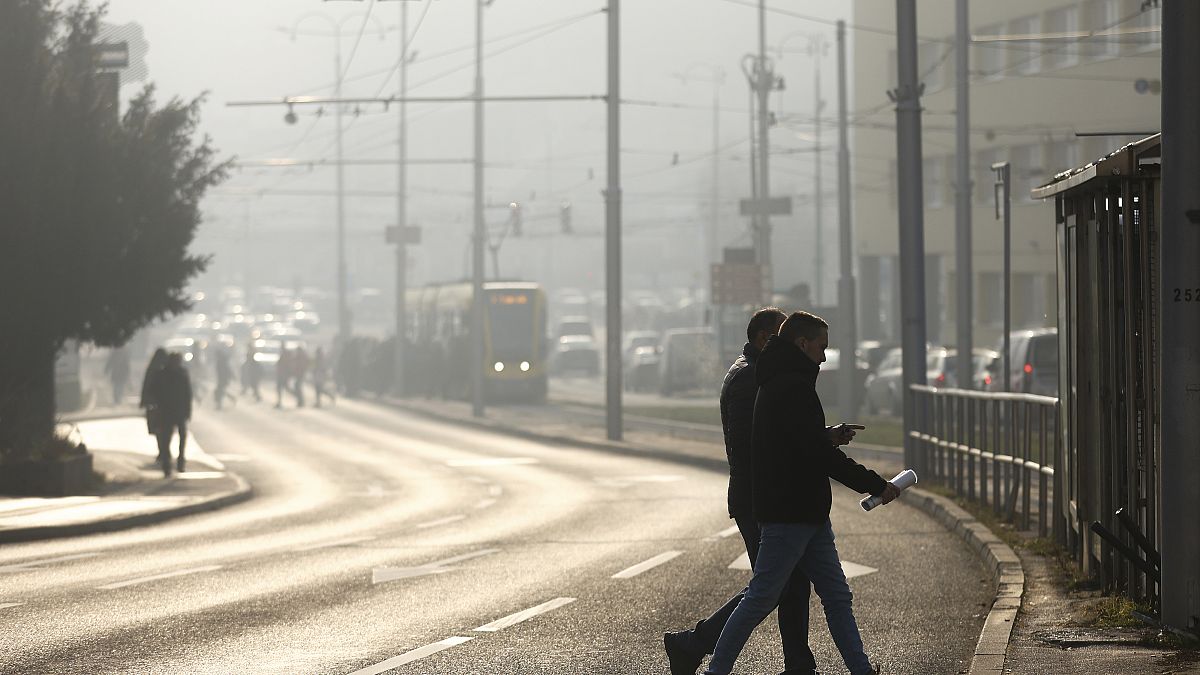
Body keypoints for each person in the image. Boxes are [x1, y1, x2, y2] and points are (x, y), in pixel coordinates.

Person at [702, 311, 899, 675]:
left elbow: (798, 442)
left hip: (806, 512)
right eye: (821, 348)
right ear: (802, 343)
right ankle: (716, 670)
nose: (824, 357)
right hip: (789, 513)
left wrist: (824, 438)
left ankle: (862, 670)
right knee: (761, 598)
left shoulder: (782, 379)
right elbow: (818, 455)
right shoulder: (790, 385)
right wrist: (876, 485)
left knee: (837, 596)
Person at [148, 352, 193, 476]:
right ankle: (167, 464)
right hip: (166, 411)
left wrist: (188, 410)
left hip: (179, 411)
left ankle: (180, 461)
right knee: (166, 439)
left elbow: (187, 394)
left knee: (182, 436)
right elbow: (153, 391)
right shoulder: (162, 374)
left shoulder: (182, 374)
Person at [140, 348, 168, 435]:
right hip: (161, 403)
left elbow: (146, 385)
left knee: (158, 428)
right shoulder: (166, 370)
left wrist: (144, 400)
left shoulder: (152, 369)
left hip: (156, 402)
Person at [213, 346, 236, 410]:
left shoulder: (221, 361)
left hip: (223, 379)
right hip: (222, 379)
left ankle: (219, 405)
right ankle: (230, 398)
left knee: (219, 392)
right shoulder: (221, 361)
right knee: (220, 391)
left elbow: (227, 370)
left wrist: (231, 376)